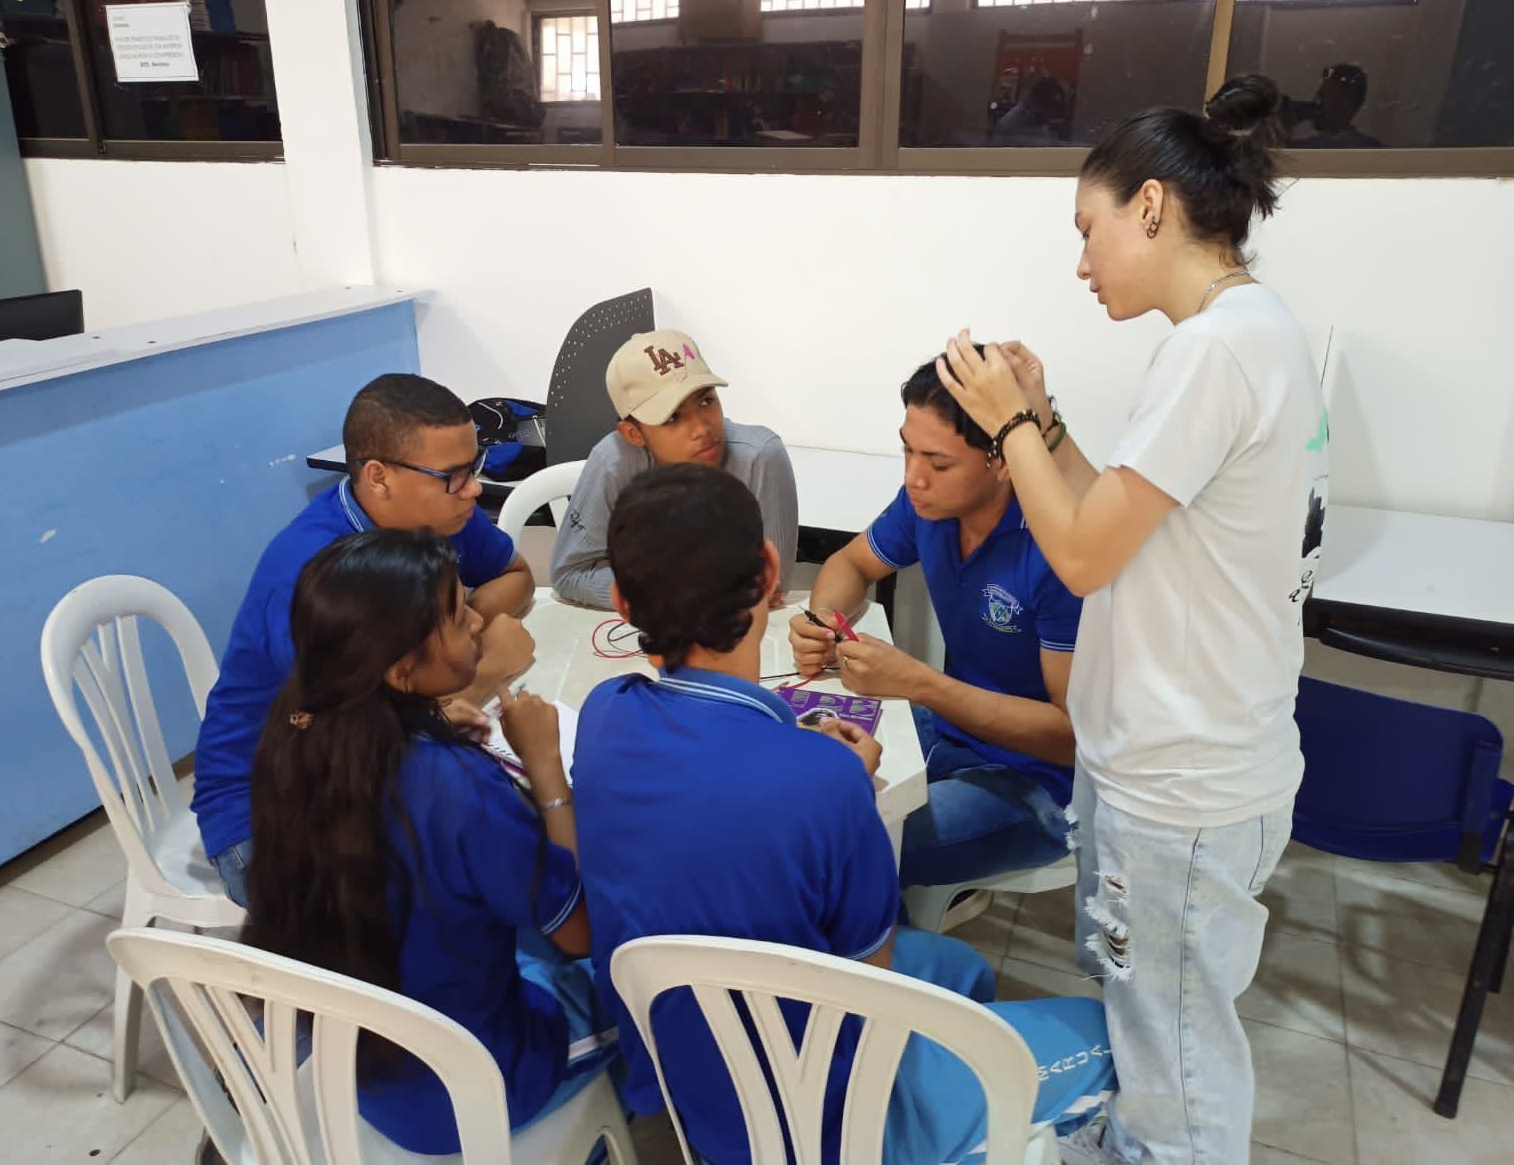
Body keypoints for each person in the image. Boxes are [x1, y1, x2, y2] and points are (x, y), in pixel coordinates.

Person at [934, 75, 1330, 1165]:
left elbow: (1076, 550)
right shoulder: (1251, 333)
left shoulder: (1216, 349)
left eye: (1088, 229)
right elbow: (1119, 513)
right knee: (1150, 1031)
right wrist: (1045, 420)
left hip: (1182, 779)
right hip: (1171, 758)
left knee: (1178, 1061)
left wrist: (1007, 421)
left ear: (1149, 205)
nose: (1081, 262)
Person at [573, 464, 1115, 1165]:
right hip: (831, 1127)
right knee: (1111, 1037)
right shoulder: (828, 781)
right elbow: (873, 987)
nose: (918, 476)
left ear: (620, 602)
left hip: (691, 1101)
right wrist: (840, 785)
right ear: (771, 572)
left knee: (960, 970)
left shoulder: (602, 714)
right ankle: (933, 1133)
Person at [244, 529, 614, 1155]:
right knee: (632, 981)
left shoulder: (296, 736)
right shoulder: (457, 787)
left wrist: (432, 718)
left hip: (366, 1075)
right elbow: (579, 935)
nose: (476, 620)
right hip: (474, 1090)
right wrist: (545, 767)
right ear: (400, 668)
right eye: (456, 613)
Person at [194, 374, 538, 907]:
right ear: (378, 477)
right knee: (474, 888)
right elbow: (363, 751)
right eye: (453, 476)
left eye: (476, 469)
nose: (474, 490)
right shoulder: (314, 580)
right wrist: (487, 666)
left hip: (375, 762)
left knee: (492, 832)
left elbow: (517, 574)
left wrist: (462, 624)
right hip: (276, 813)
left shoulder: (439, 515)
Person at [789, 359, 1080, 898]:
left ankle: (879, 965)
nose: (913, 477)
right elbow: (850, 565)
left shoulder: (1059, 550)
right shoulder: (927, 506)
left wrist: (918, 683)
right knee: (790, 762)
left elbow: (1071, 740)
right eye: (907, 450)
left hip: (1039, 786)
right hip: (949, 729)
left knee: (846, 835)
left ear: (1003, 462)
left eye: (938, 463)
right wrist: (822, 620)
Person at [550, 329, 799, 610]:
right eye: (671, 417)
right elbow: (571, 572)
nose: (702, 428)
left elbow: (771, 586)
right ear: (633, 433)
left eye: (706, 400)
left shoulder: (760, 458)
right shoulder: (613, 462)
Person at [1287, 63, 1382, 149]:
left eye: (1325, 95)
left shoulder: (1370, 149)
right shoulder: (1374, 149)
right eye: (1319, 95)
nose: (1317, 102)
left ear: (1348, 101)